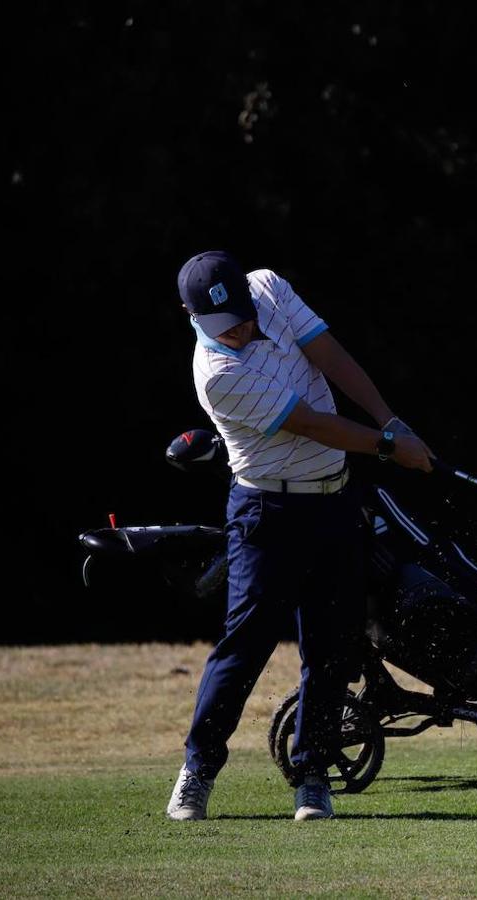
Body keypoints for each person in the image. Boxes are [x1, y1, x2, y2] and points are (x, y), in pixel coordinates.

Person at [165, 250, 433, 822]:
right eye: (221, 326)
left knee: (332, 645)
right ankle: (198, 770)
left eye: (239, 315)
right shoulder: (217, 375)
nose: (236, 329)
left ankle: (312, 774)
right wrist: (390, 449)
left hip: (333, 500)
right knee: (245, 647)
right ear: (193, 318)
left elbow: (328, 354)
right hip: (267, 512)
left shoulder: (269, 288)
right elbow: (312, 424)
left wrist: (390, 419)